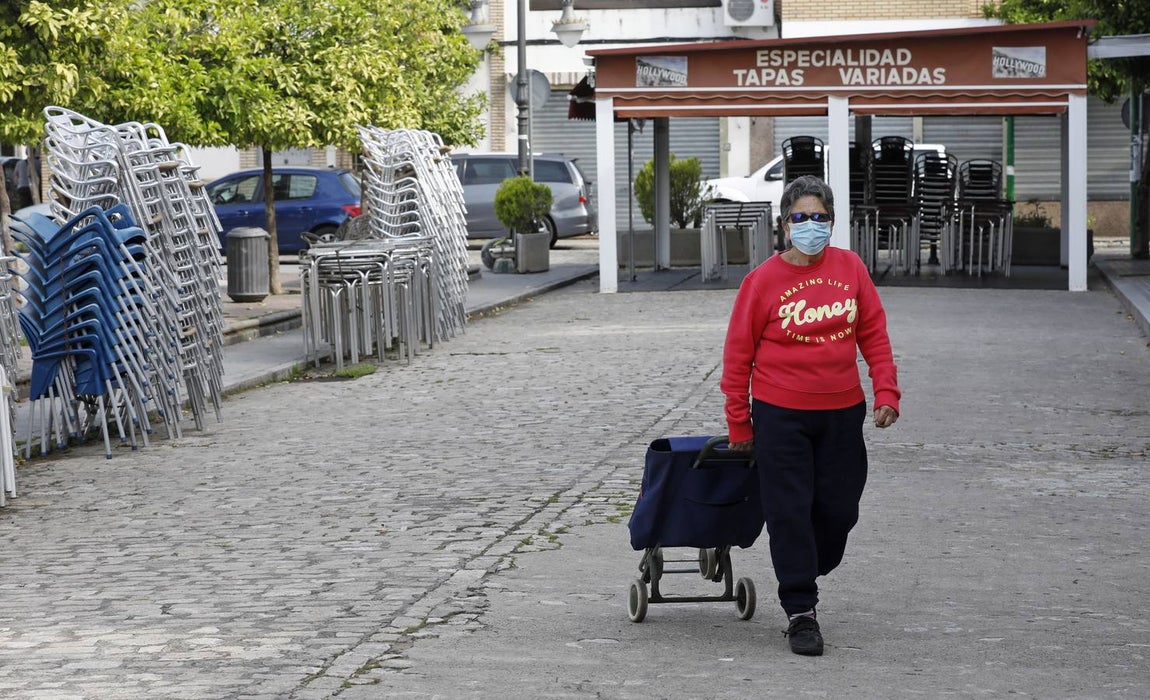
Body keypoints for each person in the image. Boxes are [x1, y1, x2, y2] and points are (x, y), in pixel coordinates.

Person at [720, 174, 900, 656]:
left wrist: (886, 390)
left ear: (832, 223)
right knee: (789, 512)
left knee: (839, 510)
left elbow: (874, 333)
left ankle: (802, 563)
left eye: (819, 217)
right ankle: (801, 610)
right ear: (784, 224)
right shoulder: (761, 282)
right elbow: (737, 357)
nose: (810, 225)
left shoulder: (850, 268)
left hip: (842, 412)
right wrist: (740, 422)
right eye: (800, 217)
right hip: (780, 414)